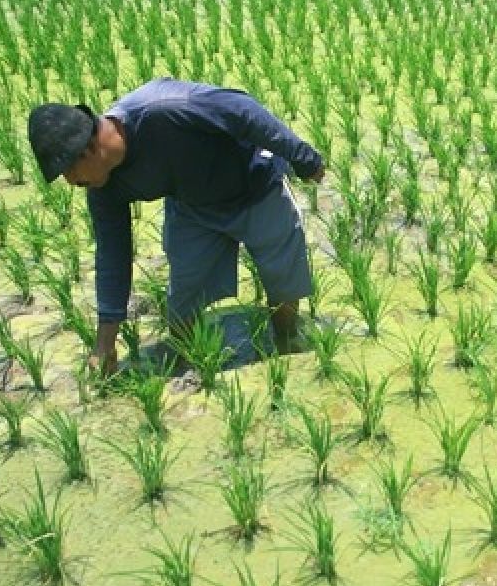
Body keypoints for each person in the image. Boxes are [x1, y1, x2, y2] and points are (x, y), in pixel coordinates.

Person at [27, 77, 325, 376]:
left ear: (88, 149)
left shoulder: (165, 110)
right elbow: (112, 256)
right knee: (184, 294)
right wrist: (105, 343)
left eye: (68, 170)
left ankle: (288, 344)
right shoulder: (103, 188)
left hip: (254, 184)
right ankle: (190, 366)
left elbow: (243, 110)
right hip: (192, 205)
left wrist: (302, 157)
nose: (71, 182)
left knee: (282, 274)